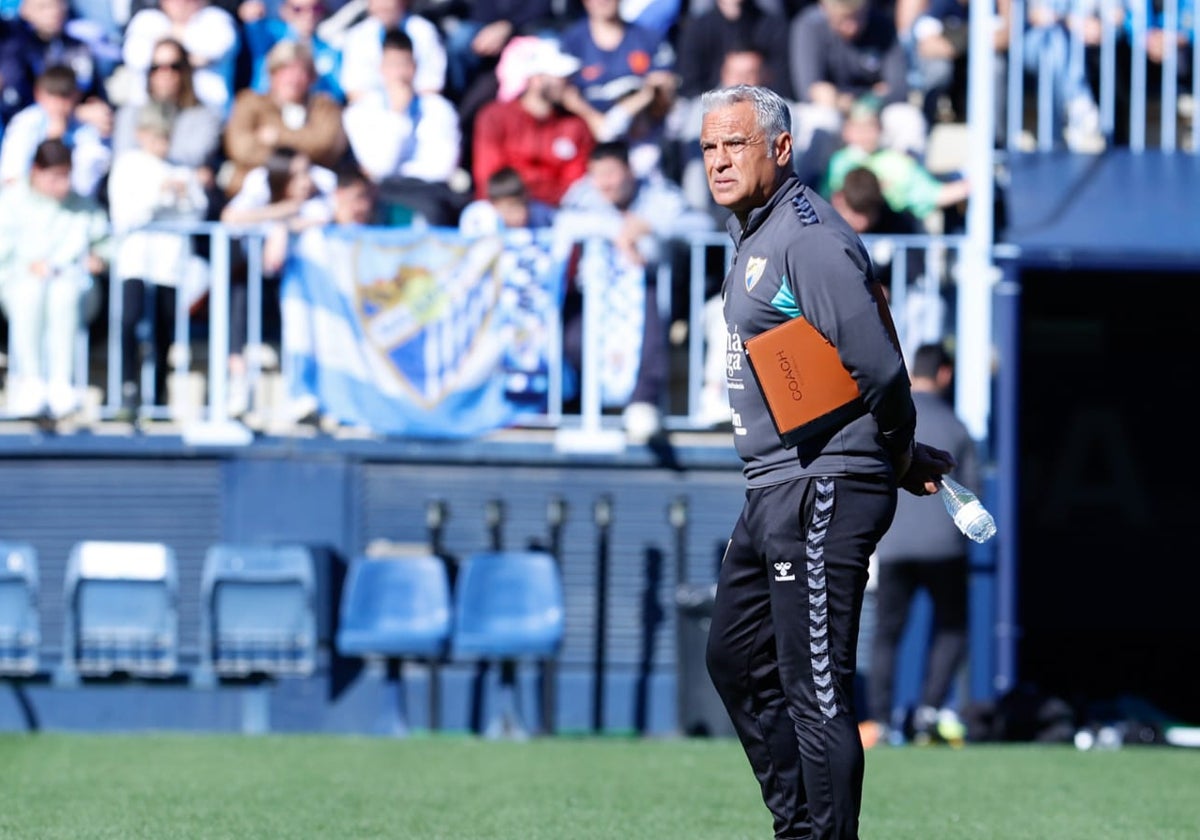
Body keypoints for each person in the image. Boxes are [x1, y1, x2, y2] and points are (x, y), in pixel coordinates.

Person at [698, 84, 954, 839]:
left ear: (780, 149)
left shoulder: (805, 237)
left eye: (735, 145)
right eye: (710, 147)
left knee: (816, 689)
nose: (718, 161)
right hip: (776, 479)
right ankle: (802, 830)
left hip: (824, 483)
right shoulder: (755, 229)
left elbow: (877, 364)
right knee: (735, 659)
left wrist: (900, 453)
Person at [553, 139, 715, 442]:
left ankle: (643, 403)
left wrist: (651, 226)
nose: (605, 184)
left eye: (611, 174)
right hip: (595, 292)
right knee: (573, 339)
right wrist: (617, 230)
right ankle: (590, 403)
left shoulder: (659, 194)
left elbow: (702, 225)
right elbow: (562, 224)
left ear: (629, 171)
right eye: (597, 175)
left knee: (651, 323)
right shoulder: (582, 195)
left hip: (649, 287)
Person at [860, 341, 978, 749]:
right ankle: (929, 711)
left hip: (893, 543)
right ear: (945, 374)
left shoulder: (893, 416)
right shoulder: (957, 425)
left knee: (886, 634)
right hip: (944, 545)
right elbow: (971, 495)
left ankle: (879, 720)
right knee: (952, 628)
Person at [106, 101, 210, 421]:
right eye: (156, 137)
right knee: (130, 322)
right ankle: (127, 389)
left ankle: (159, 394)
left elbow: (196, 213)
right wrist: (159, 194)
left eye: (166, 137)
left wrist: (183, 193)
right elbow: (126, 214)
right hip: (136, 260)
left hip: (169, 263)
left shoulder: (178, 168)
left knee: (165, 328)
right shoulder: (128, 165)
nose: (161, 144)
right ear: (141, 135)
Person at [0, 137, 110, 422]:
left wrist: (99, 257)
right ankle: (30, 380)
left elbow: (107, 244)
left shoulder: (83, 206)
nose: (62, 185)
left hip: (73, 287)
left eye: (66, 176)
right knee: (31, 292)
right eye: (54, 177)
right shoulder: (9, 201)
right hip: (19, 286)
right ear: (35, 171)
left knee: (63, 292)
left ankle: (62, 382)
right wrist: (27, 266)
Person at [341, 26, 464, 227]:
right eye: (392, 65)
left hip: (430, 195)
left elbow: (442, 168)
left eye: (404, 64)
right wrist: (398, 115)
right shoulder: (360, 112)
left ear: (415, 67)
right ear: (381, 68)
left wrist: (404, 174)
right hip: (384, 195)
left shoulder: (440, 109)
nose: (399, 74)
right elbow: (380, 167)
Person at [471, 35, 595, 208]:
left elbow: (575, 185)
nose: (567, 82)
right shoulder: (495, 117)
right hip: (504, 208)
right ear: (536, 79)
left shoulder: (575, 126)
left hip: (557, 212)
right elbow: (489, 179)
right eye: (559, 76)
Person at [822, 94, 971, 232]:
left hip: (886, 233)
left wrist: (970, 185)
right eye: (858, 127)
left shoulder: (896, 162)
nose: (864, 133)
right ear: (847, 130)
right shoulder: (837, 163)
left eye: (870, 126)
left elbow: (931, 194)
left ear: (880, 128)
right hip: (842, 234)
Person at [221, 38, 347, 200]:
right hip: (255, 198)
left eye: (301, 71)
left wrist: (277, 137)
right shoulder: (249, 102)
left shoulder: (324, 106)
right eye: (286, 70)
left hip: (311, 195)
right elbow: (242, 149)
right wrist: (296, 157)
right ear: (272, 73)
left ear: (311, 77)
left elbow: (325, 144)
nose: (293, 79)